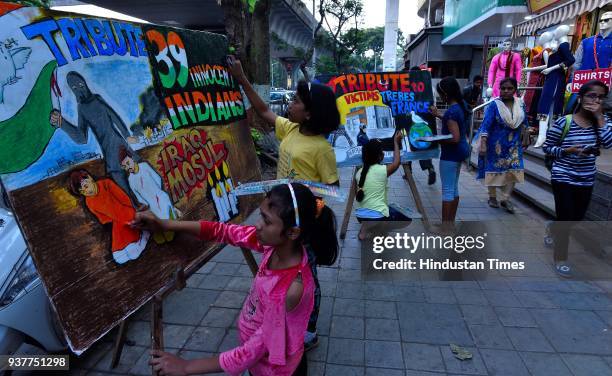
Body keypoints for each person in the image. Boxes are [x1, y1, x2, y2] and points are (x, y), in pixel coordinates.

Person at [133, 183, 337, 375]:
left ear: (292, 232)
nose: (257, 225)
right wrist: (166, 225)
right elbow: (222, 231)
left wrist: (186, 367)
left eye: (266, 221)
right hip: (261, 364)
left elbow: (250, 353)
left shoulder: (289, 290)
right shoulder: (274, 245)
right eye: (260, 215)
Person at [227, 55, 340, 350]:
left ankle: (309, 328)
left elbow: (332, 190)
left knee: (305, 275)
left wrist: (306, 213)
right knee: (278, 267)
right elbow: (263, 110)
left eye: (297, 101)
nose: (290, 103)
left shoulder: (321, 149)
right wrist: (241, 78)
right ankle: (279, 312)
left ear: (310, 114)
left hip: (301, 227)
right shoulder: (290, 129)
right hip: (280, 220)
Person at [542, 80, 612, 278]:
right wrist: (567, 151)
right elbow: (548, 147)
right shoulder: (566, 121)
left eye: (600, 97)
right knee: (566, 218)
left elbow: (608, 143)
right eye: (591, 96)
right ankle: (561, 258)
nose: (596, 100)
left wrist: (599, 117)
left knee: (577, 217)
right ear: (580, 98)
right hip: (563, 175)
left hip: (586, 178)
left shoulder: (603, 122)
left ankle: (551, 228)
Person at [69, 169, 150, 264]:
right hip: (116, 220)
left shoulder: (106, 184)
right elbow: (103, 218)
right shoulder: (89, 202)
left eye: (86, 186)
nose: (86, 191)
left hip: (127, 211)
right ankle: (135, 240)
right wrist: (115, 219)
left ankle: (141, 236)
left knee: (132, 233)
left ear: (90, 178)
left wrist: (129, 213)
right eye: (83, 191)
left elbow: (124, 198)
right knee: (119, 251)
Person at [477, 78, 532, 213]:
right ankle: (492, 197)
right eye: (503, 88)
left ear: (515, 90)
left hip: (514, 144)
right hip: (496, 144)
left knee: (515, 170)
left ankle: (506, 199)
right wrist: (483, 142)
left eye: (510, 88)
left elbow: (525, 122)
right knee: (493, 169)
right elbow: (486, 124)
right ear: (499, 89)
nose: (506, 91)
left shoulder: (520, 104)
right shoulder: (494, 105)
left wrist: (527, 135)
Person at [429, 77, 470, 231]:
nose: (440, 97)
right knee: (453, 188)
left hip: (451, 155)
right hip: (460, 153)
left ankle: (445, 228)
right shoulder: (460, 106)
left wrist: (437, 139)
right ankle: (450, 224)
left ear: (446, 94)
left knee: (447, 190)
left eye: (441, 93)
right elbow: (453, 124)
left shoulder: (452, 111)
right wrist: (439, 115)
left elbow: (454, 137)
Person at [355, 132, 410, 240]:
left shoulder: (359, 173)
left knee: (376, 210)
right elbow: (396, 162)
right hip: (377, 216)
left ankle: (365, 230)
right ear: (380, 156)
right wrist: (396, 142)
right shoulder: (382, 170)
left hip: (360, 215)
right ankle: (379, 231)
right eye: (382, 152)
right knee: (406, 217)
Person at [119, 147, 180, 244]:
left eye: (128, 163)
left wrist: (156, 195)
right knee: (159, 237)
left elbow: (157, 180)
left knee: (169, 228)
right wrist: (147, 204)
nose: (128, 167)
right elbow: (138, 196)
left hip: (159, 197)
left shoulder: (144, 166)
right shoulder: (131, 179)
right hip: (149, 205)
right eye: (124, 166)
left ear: (132, 159)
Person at [405, 66, 436, 185]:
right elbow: (433, 104)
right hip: (427, 120)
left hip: (413, 120)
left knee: (410, 144)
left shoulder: (409, 87)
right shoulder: (428, 87)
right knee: (422, 145)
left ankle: (409, 171)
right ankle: (430, 168)